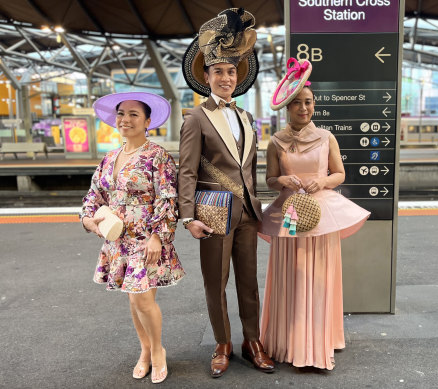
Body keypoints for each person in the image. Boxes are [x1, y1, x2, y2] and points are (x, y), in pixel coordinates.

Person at [178, 8, 275, 378]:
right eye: (218, 71)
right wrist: (188, 217)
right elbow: (186, 170)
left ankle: (253, 342)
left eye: (231, 72)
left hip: (248, 213)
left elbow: (248, 169)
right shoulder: (196, 119)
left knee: (249, 284)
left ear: (238, 77)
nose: (225, 77)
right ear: (206, 77)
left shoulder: (247, 118)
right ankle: (222, 344)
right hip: (213, 214)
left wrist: (260, 208)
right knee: (215, 283)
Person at [258, 59, 371, 370]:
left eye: (308, 102)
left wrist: (322, 180)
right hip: (290, 215)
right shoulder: (275, 141)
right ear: (287, 107)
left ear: (314, 104)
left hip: (321, 215)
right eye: (297, 103)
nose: (303, 108)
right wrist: (281, 180)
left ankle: (319, 341)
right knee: (291, 274)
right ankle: (288, 342)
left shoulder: (327, 137)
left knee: (318, 277)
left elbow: (339, 175)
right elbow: (268, 180)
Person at [80, 92, 184, 384]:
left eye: (133, 114)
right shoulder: (110, 157)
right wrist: (88, 219)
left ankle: (157, 352)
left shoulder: (157, 156)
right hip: (117, 241)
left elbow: (168, 197)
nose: (125, 119)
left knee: (142, 300)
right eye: (121, 113)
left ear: (148, 121)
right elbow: (94, 195)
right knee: (134, 300)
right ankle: (146, 350)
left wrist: (158, 237)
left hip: (146, 238)